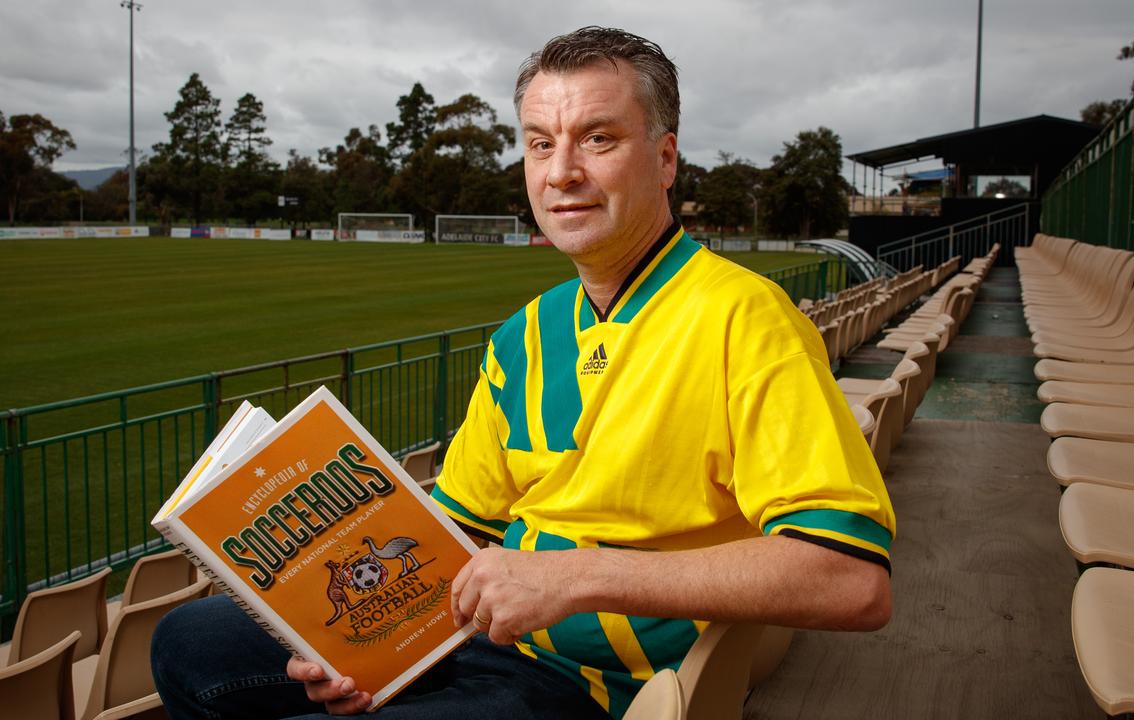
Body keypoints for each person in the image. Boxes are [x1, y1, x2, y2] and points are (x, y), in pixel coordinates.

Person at [151, 26, 894, 720]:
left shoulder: (747, 320)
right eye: (541, 144)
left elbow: (850, 579)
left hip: (596, 686)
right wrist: (357, 641)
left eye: (597, 139)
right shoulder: (526, 335)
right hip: (478, 631)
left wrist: (575, 579)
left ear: (665, 159)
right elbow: (463, 529)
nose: (562, 172)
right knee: (186, 641)